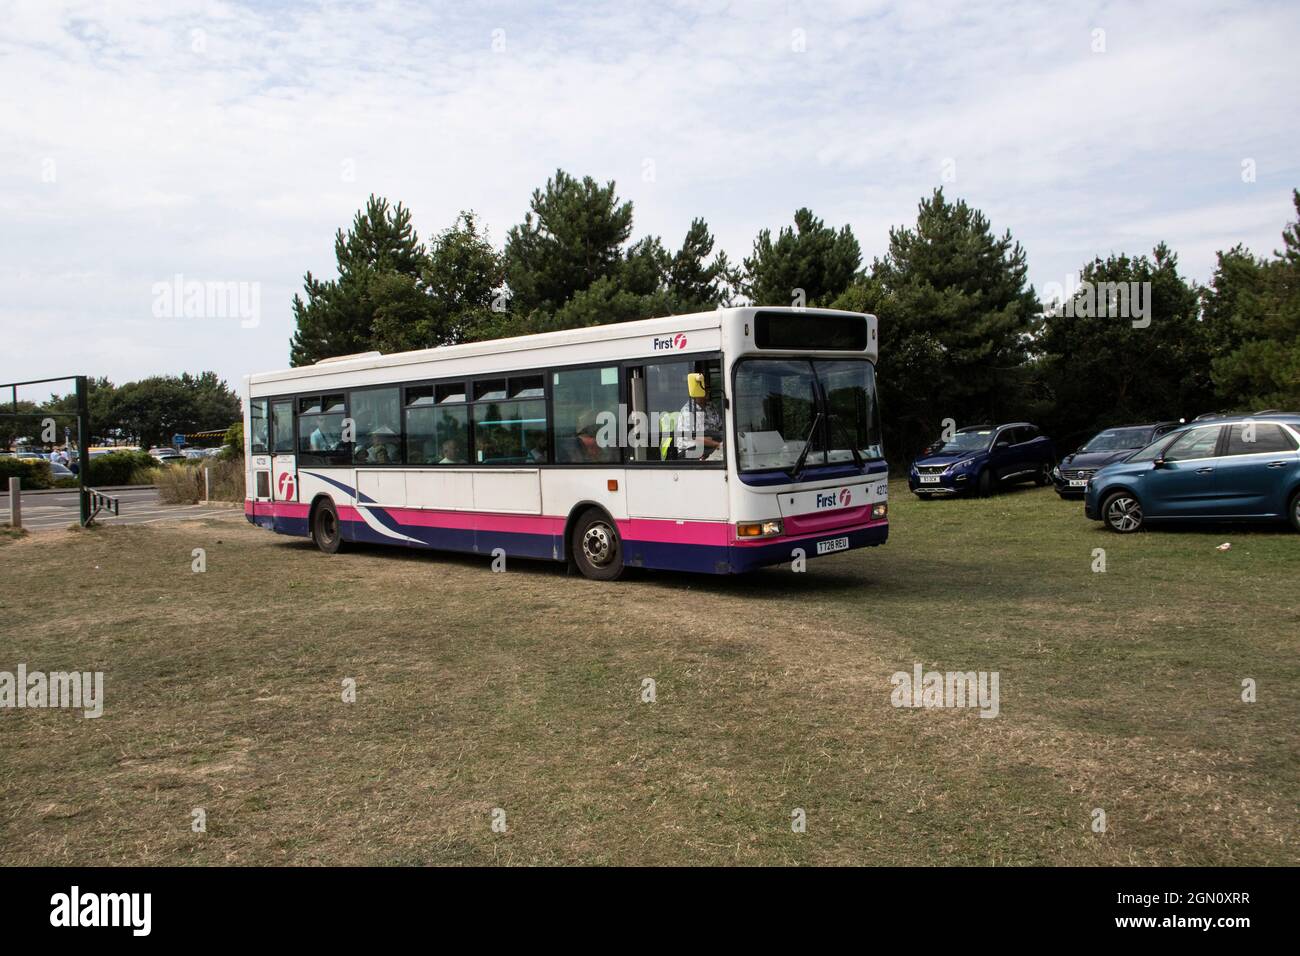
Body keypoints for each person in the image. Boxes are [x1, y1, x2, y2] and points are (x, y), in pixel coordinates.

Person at [676, 372, 724, 460]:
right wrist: (717, 444)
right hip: (690, 450)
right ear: (697, 390)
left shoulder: (711, 406)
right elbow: (696, 437)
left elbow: (721, 428)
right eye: (705, 388)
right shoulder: (688, 410)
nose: (708, 391)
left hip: (711, 446)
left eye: (708, 388)